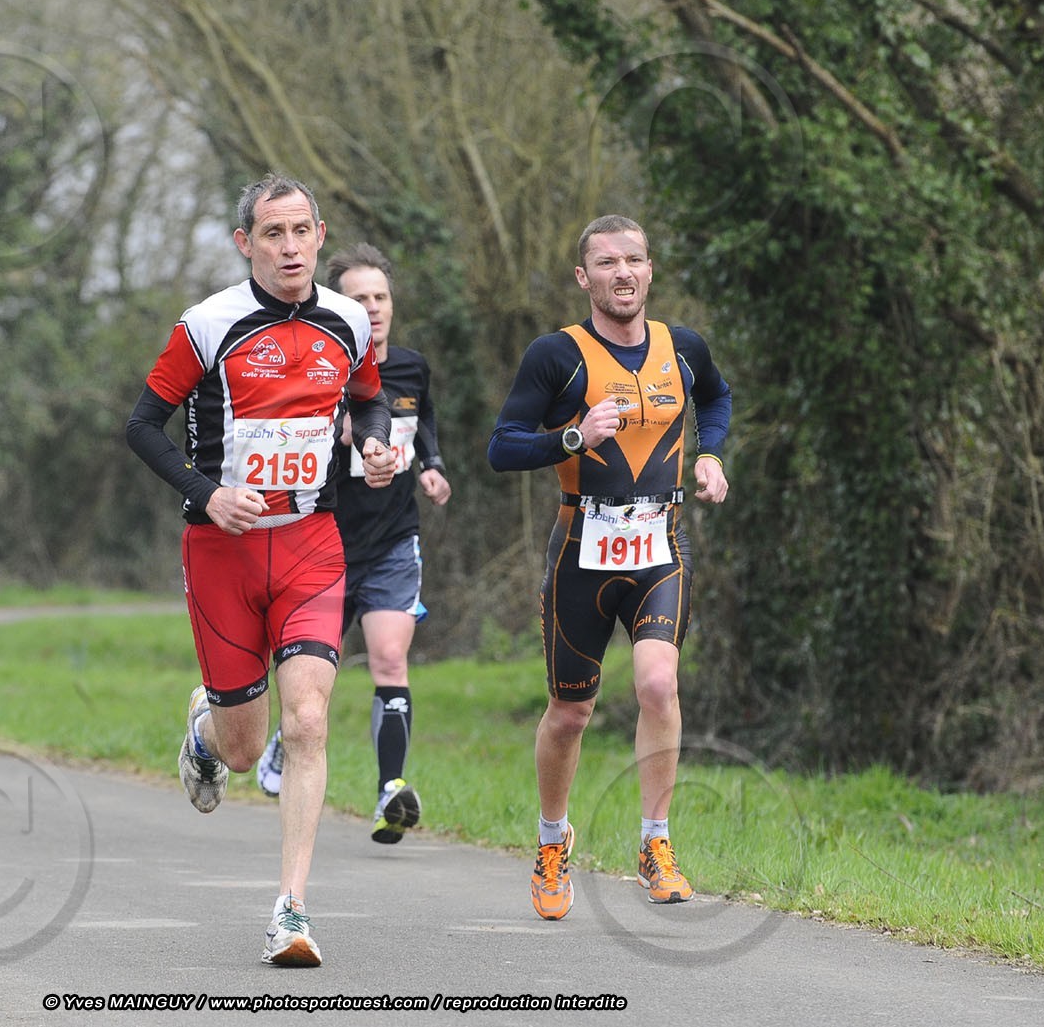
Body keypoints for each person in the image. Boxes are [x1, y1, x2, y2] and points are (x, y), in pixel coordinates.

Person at [125, 173, 396, 967]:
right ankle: (206, 730)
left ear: (320, 235)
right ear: (246, 243)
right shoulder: (206, 325)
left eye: (301, 230)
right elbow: (142, 426)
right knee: (244, 751)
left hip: (312, 544)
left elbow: (370, 399)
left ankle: (291, 909)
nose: (290, 247)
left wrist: (374, 443)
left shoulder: (348, 320)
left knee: (307, 718)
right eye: (273, 233)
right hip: (223, 554)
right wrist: (207, 494)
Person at [487, 215, 731, 918]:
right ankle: (551, 840)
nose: (622, 273)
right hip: (580, 551)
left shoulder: (684, 348)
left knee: (658, 683)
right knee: (571, 712)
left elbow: (716, 396)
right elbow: (502, 446)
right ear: (583, 277)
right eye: (606, 262)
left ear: (650, 270)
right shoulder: (556, 356)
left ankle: (656, 842)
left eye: (633, 260)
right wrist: (571, 436)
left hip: (660, 546)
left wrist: (711, 454)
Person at [253, 244, 450, 846]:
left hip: (393, 541)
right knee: (315, 677)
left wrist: (432, 467)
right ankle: (286, 741)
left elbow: (424, 422)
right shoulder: (320, 370)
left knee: (390, 658)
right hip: (325, 543)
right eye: (361, 299)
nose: (374, 307)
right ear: (341, 307)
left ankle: (391, 790)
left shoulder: (412, 367)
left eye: (381, 296)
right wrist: (338, 437)